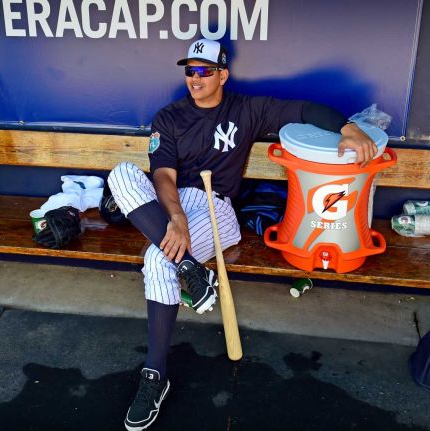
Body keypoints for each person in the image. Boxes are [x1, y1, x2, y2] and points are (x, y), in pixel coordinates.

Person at [107, 38, 377, 431]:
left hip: (215, 209)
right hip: (169, 206)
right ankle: (190, 269)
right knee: (121, 174)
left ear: (222, 75)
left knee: (155, 258)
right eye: (190, 70)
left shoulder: (247, 109)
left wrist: (347, 128)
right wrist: (176, 217)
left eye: (205, 70)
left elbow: (302, 109)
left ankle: (155, 373)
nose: (196, 78)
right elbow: (162, 174)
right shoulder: (170, 116)